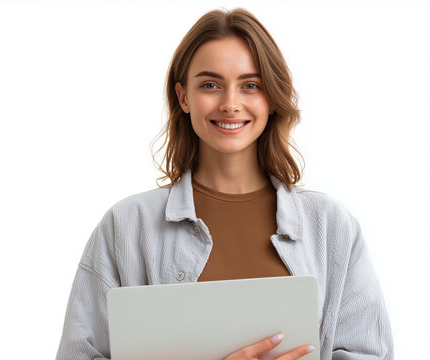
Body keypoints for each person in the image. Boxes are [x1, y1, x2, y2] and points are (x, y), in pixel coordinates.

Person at [56, 7, 393, 360]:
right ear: (184, 97)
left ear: (271, 97)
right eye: (210, 85)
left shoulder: (332, 226)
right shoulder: (124, 227)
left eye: (250, 85)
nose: (231, 104)